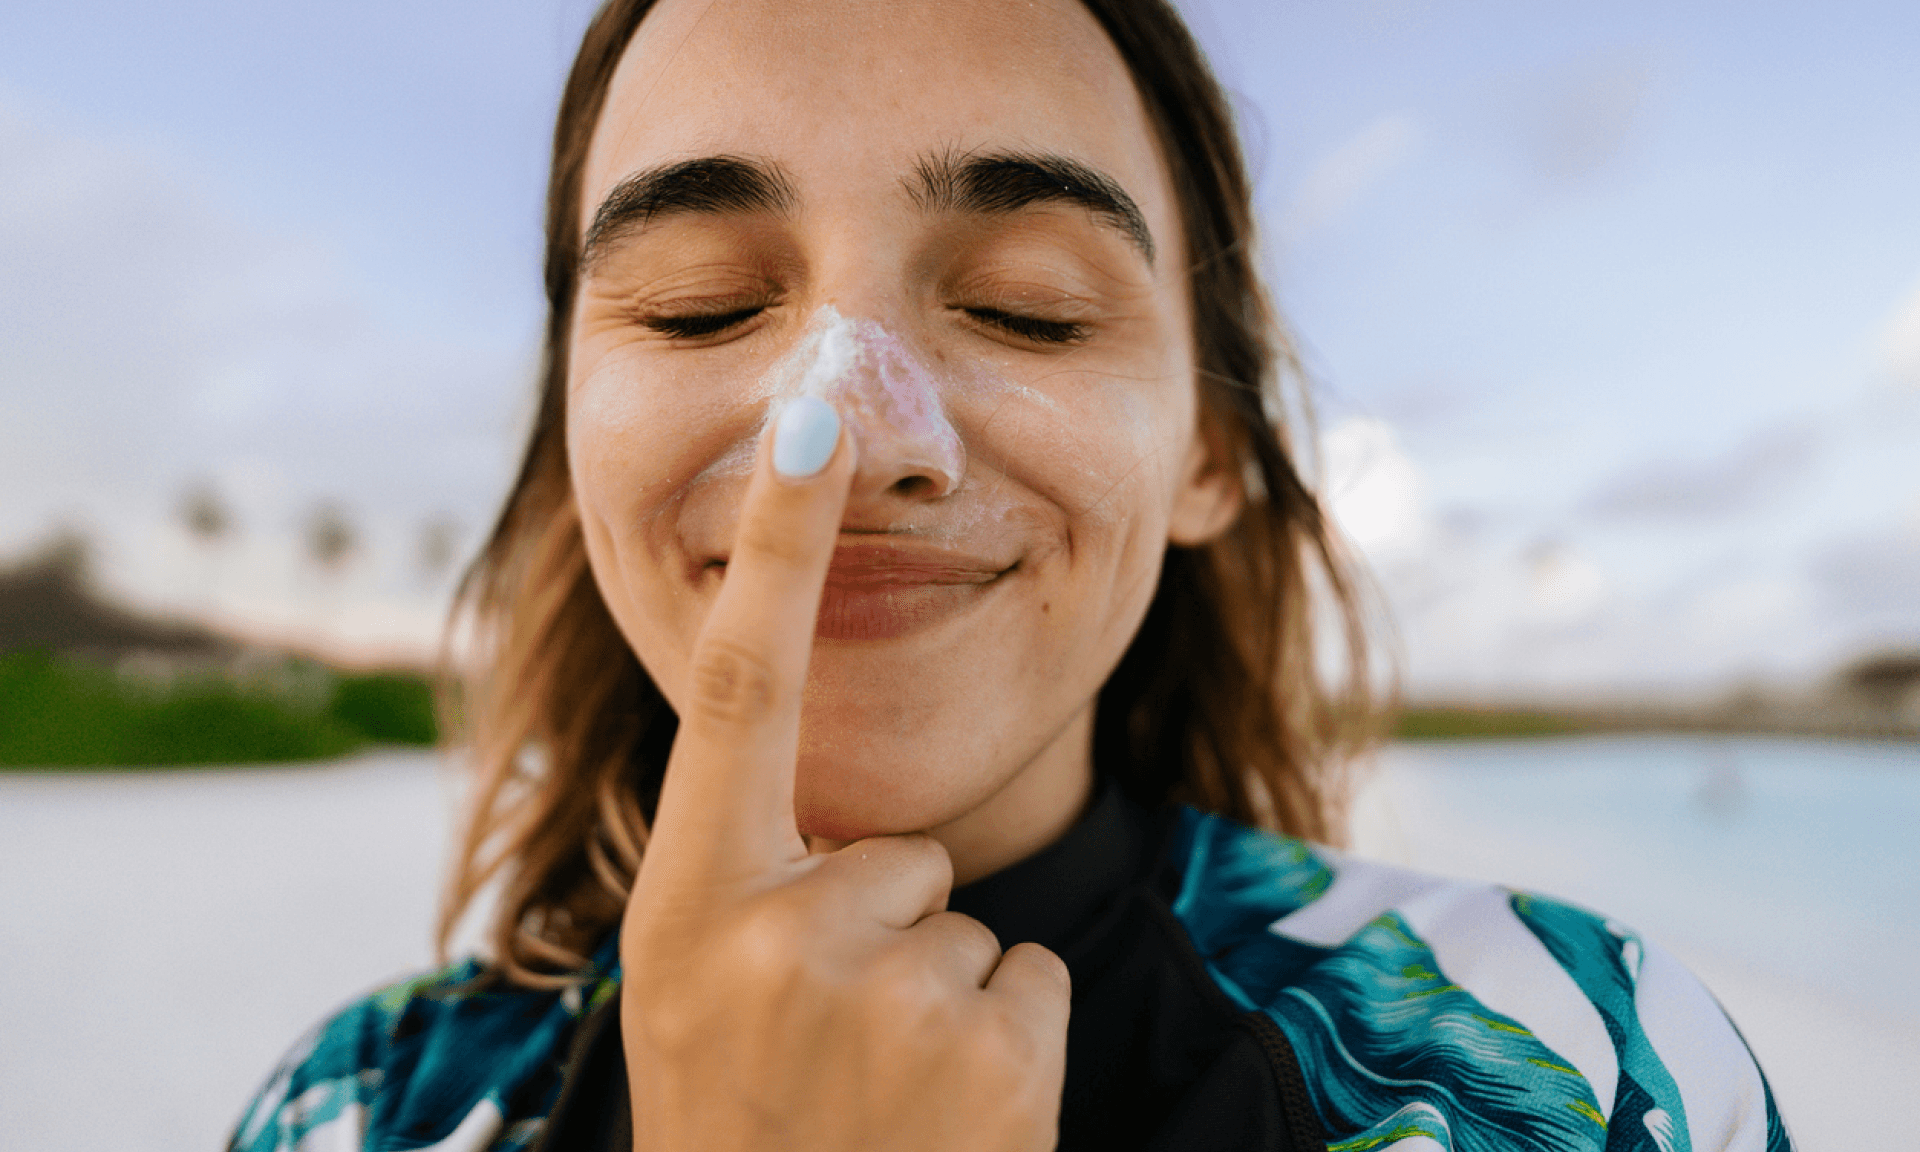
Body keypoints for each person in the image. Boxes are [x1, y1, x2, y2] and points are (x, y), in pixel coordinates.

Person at [229, 1, 1793, 1149]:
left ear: (1206, 455)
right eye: (701, 308)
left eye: (1031, 310)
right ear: (575, 433)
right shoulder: (354, 1109)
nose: (842, 433)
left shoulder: (1584, 1059)